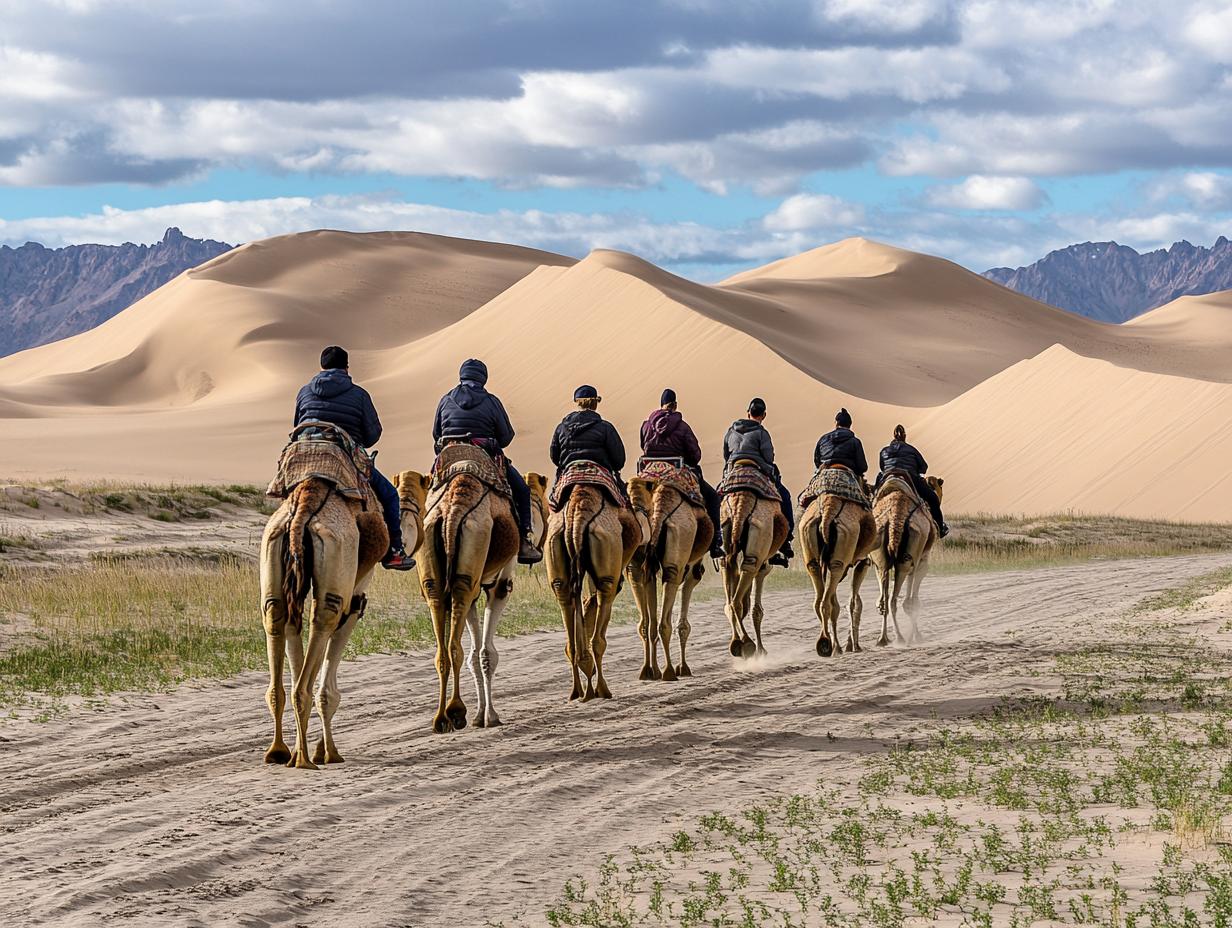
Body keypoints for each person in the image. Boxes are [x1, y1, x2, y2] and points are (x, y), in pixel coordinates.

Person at [293, 345, 413, 570]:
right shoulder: (358, 394)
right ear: (346, 368)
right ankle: (395, 551)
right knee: (390, 496)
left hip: (305, 455)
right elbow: (372, 434)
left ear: (321, 367)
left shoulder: (304, 391)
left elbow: (297, 425)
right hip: (342, 456)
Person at [432, 359, 541, 564]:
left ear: (461, 376)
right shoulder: (492, 401)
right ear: (483, 378)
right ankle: (526, 540)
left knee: (432, 490)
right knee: (522, 491)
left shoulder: (445, 400)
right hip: (484, 454)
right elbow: (506, 437)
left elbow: (436, 433)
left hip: (450, 455)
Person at [640, 388, 723, 558]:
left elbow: (644, 446)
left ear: (661, 405)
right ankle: (715, 543)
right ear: (675, 405)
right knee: (713, 498)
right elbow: (695, 455)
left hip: (649, 471)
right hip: (677, 470)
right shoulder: (683, 427)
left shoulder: (646, 425)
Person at [722, 397, 795, 567]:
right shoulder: (762, 433)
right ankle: (785, 540)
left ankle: (717, 537)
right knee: (784, 496)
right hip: (758, 470)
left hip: (734, 471)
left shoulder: (730, 431)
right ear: (764, 415)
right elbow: (769, 457)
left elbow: (726, 455)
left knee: (718, 496)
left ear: (747, 413)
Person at [877, 424, 949, 538]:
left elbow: (882, 467)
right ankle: (940, 528)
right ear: (904, 436)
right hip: (909, 477)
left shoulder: (884, 451)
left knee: (874, 499)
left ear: (893, 436)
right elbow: (924, 467)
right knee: (933, 499)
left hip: (888, 477)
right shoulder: (911, 449)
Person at [549, 385, 626, 477]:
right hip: (599, 474)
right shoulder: (606, 427)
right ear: (595, 404)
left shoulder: (561, 428)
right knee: (621, 490)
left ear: (577, 402)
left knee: (555, 491)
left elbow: (554, 456)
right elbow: (618, 460)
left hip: (570, 473)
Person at [813, 407, 868, 478]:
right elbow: (862, 467)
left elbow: (817, 460)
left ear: (836, 423)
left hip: (825, 470)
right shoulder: (855, 441)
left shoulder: (823, 439)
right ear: (850, 424)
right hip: (848, 473)